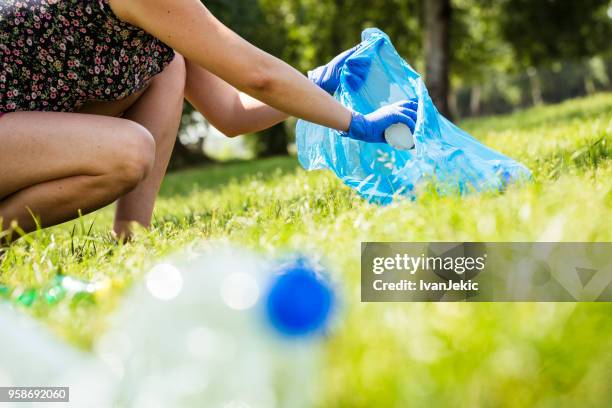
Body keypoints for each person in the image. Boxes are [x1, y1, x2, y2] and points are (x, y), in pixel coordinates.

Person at [0, 0, 418, 244]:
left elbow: (232, 112)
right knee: (128, 152)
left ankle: (132, 238)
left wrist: (318, 84)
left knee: (168, 66)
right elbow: (259, 76)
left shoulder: (166, 21)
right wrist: (358, 123)